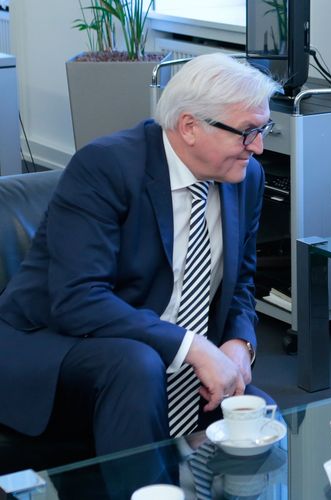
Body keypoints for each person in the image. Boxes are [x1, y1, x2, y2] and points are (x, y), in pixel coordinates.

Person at [0, 53, 282, 456]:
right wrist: (194, 347)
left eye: (264, 128)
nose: (258, 147)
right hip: (59, 345)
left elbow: (242, 283)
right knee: (138, 365)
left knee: (267, 425)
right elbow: (77, 299)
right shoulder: (106, 167)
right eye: (247, 132)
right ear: (189, 127)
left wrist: (240, 341)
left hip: (167, 354)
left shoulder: (245, 178)